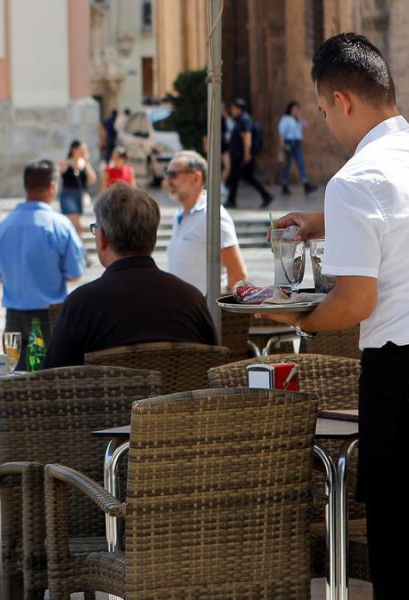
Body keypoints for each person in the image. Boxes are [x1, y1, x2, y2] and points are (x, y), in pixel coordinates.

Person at [266, 32, 409, 598]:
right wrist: (326, 219)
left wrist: (296, 321)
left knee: (397, 546)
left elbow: (355, 303)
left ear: (341, 101)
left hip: (399, 381)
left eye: (324, 110)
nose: (326, 122)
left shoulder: (355, 179)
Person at [44, 183, 217, 368]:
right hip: (177, 396)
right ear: (153, 237)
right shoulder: (191, 300)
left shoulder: (82, 304)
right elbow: (213, 369)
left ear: (102, 237)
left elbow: (51, 379)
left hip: (106, 397)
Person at [0, 159, 85, 369]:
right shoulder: (60, 225)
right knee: (51, 378)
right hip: (49, 316)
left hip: (13, 315)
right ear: (52, 187)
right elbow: (75, 273)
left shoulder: (3, 227)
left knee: (17, 378)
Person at [165, 150, 248, 294]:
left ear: (196, 178)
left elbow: (238, 273)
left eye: (173, 175)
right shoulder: (180, 214)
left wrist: (219, 314)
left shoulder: (214, 215)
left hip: (204, 313)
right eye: (167, 174)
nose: (168, 181)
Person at [226, 98, 273, 209]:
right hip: (239, 154)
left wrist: (247, 154)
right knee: (244, 177)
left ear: (238, 109)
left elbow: (247, 136)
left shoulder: (244, 120)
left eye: (234, 108)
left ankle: (232, 200)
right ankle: (266, 195)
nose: (232, 111)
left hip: (241, 155)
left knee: (239, 177)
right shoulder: (240, 119)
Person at [278, 101, 318, 195]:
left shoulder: (298, 119)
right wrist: (282, 145)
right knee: (287, 165)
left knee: (301, 163)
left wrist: (299, 117)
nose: (296, 110)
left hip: (297, 144)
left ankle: (306, 185)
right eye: (295, 109)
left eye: (297, 109)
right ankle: (284, 185)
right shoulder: (286, 119)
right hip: (289, 143)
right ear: (290, 109)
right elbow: (282, 132)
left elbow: (306, 124)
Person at [58, 140, 97, 236]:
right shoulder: (65, 163)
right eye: (81, 149)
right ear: (74, 149)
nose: (83, 151)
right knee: (73, 222)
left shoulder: (84, 163)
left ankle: (78, 245)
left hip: (79, 195)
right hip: (68, 194)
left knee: (76, 222)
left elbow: (92, 179)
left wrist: (86, 162)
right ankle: (78, 246)